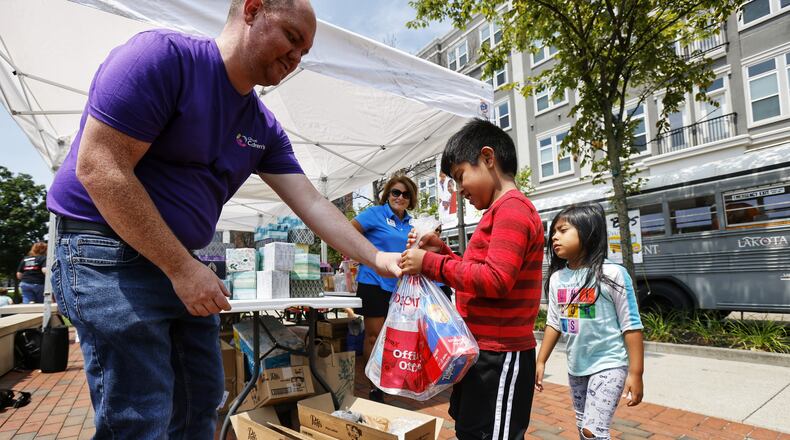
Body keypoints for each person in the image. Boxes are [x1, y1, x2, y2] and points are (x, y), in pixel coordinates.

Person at [45, 0, 401, 437]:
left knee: (201, 403)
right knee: (141, 415)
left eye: (305, 51)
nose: (296, 58)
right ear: (252, 10)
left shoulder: (261, 126)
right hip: (106, 253)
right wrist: (180, 267)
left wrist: (378, 259)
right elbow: (99, 166)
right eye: (291, 37)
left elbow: (311, 202)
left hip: (182, 264)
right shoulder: (162, 58)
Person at [401, 119, 544, 440]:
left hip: (501, 354)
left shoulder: (512, 211)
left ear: (488, 158)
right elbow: (478, 275)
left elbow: (495, 280)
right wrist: (442, 253)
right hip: (484, 351)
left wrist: (431, 263)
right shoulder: (497, 213)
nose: (459, 188)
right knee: (470, 429)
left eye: (460, 176)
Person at [535, 203, 645, 440]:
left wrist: (636, 373)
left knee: (593, 431)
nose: (554, 237)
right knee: (583, 427)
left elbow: (631, 325)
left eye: (563, 230)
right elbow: (554, 322)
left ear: (588, 232)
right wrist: (541, 360)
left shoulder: (613, 274)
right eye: (553, 232)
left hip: (609, 364)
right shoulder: (556, 278)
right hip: (576, 368)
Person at [351, 174, 417, 402]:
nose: (400, 197)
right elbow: (349, 232)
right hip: (373, 283)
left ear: (411, 199)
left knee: (395, 338)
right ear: (387, 194)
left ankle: (391, 377)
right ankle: (374, 385)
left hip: (400, 288)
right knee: (374, 337)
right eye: (395, 192)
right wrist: (366, 256)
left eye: (406, 194)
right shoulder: (375, 214)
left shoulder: (411, 223)